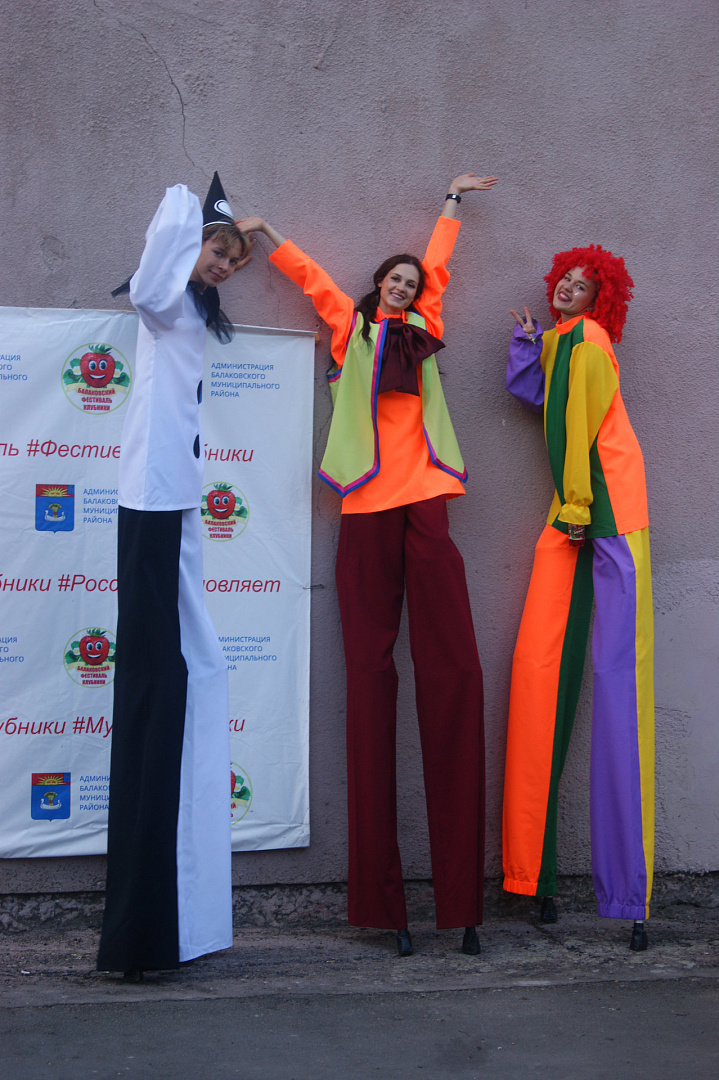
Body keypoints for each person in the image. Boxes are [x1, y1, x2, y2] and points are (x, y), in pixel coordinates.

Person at [237, 173, 497, 956]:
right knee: (369, 683)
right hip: (362, 506)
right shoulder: (349, 330)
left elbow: (439, 266)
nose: (405, 286)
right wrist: (266, 231)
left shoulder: (425, 327)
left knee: (452, 673)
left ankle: (462, 904)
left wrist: (451, 203)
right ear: (377, 286)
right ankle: (384, 909)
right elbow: (313, 278)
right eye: (395, 279)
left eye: (411, 283)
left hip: (426, 502)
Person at [97, 174, 252, 980]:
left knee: (195, 672)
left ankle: (183, 918)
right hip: (151, 499)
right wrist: (192, 206)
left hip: (179, 500)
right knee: (159, 682)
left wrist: (224, 229)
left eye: (233, 260)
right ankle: (146, 927)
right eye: (217, 251)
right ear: (190, 245)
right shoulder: (161, 301)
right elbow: (159, 255)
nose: (224, 265)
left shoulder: (192, 308)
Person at [502, 246, 654, 951]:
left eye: (583, 284)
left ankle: (628, 894)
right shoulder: (562, 340)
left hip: (606, 512)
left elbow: (580, 430)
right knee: (538, 672)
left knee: (618, 686)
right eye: (565, 278)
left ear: (600, 300)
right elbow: (543, 404)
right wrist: (527, 347)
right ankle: (531, 875)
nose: (569, 286)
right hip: (575, 511)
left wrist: (573, 506)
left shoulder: (588, 340)